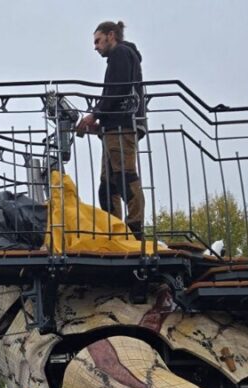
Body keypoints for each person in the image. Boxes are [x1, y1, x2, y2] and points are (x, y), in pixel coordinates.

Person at [76, 20, 146, 239]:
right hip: (114, 126)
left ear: (111, 35)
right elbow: (117, 93)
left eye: (98, 40)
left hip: (122, 126)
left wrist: (94, 115)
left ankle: (134, 230)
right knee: (108, 185)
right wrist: (100, 122)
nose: (95, 46)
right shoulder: (122, 56)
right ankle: (115, 229)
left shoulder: (121, 54)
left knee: (124, 177)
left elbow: (117, 90)